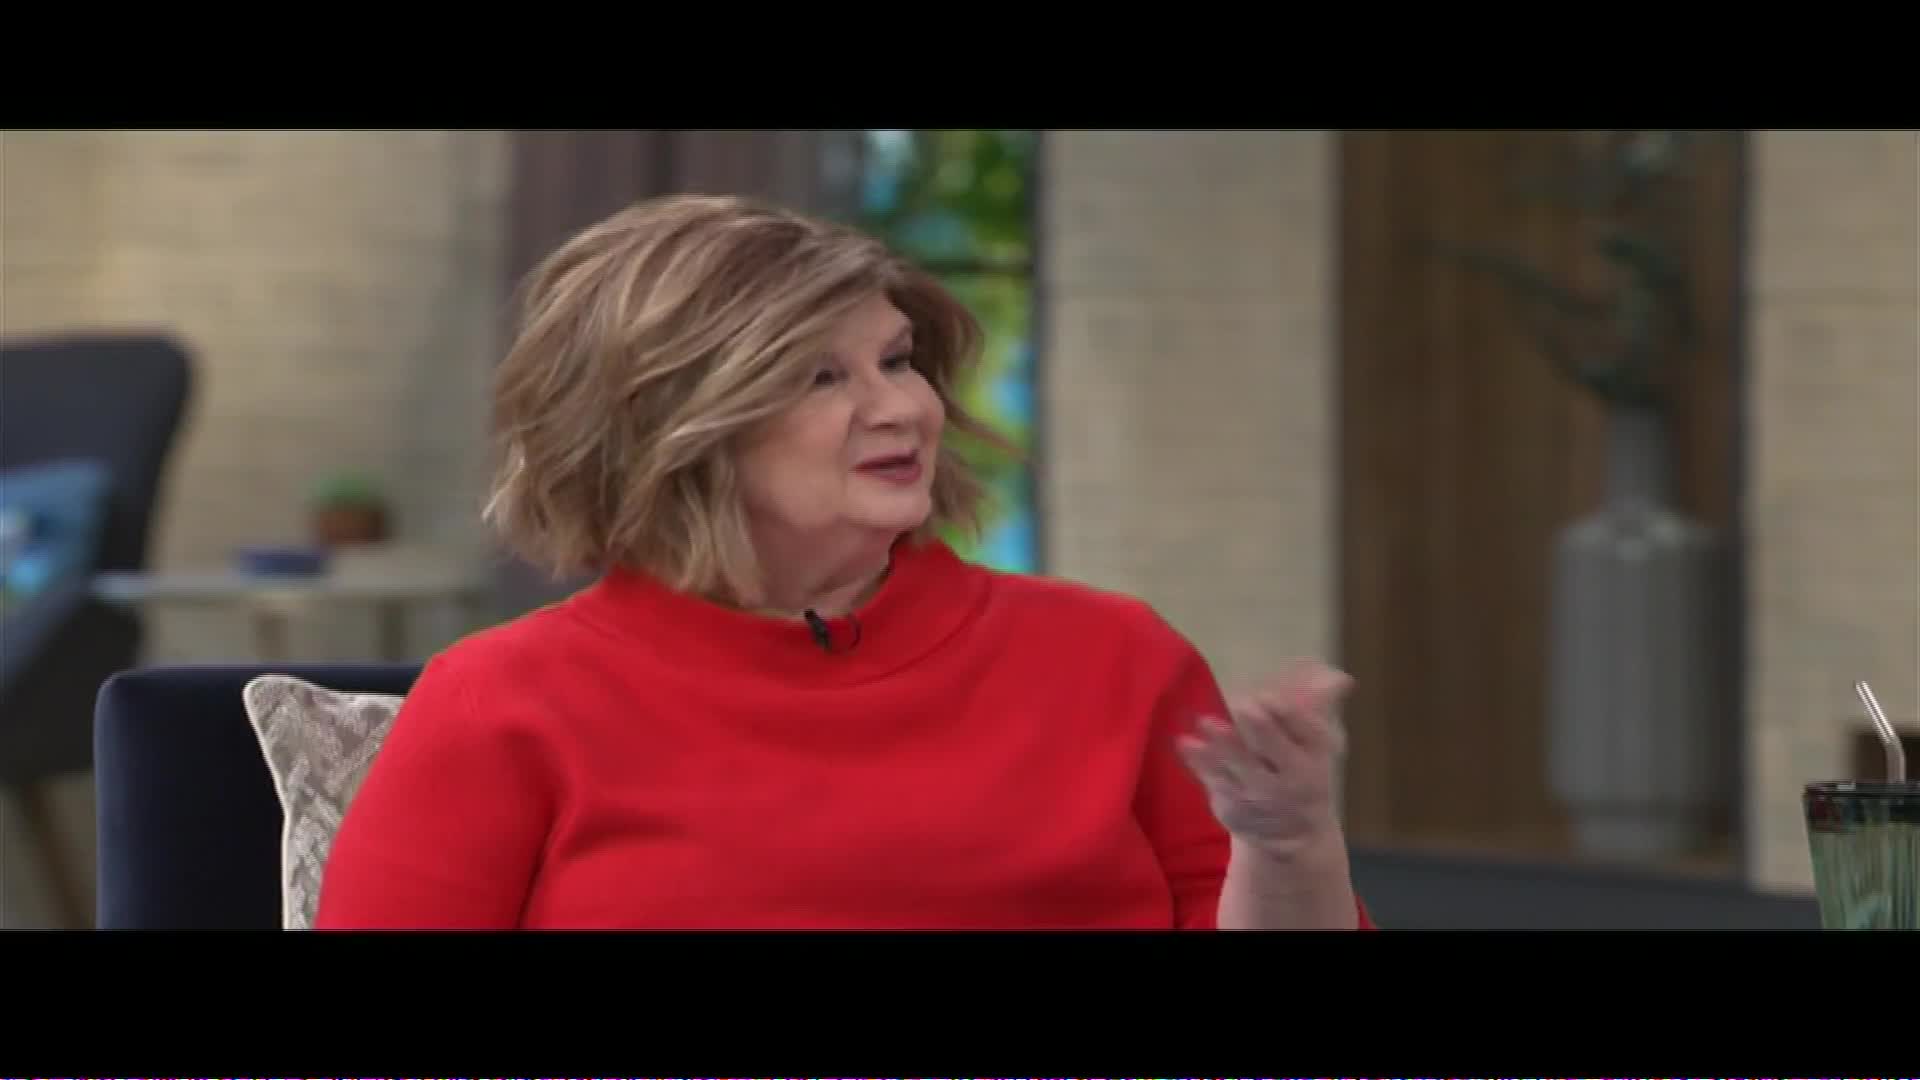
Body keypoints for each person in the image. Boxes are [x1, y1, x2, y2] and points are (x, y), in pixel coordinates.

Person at [314, 193, 1376, 930]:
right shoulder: (503, 706)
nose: (902, 408)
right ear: (677, 428)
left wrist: (1285, 847)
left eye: (897, 360)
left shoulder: (1115, 658)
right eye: (821, 378)